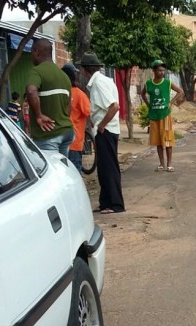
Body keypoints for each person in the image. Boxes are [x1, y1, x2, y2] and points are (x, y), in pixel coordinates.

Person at [81, 53, 124, 214]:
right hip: (107, 129)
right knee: (104, 167)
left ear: (86, 70)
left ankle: (115, 204)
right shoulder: (104, 81)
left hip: (106, 130)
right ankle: (105, 202)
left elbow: (114, 106)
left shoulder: (98, 83)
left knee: (109, 167)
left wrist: (101, 125)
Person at [25, 38, 74, 155]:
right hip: (66, 132)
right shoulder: (64, 76)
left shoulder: (37, 71)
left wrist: (39, 115)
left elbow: (31, 91)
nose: (31, 56)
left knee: (50, 171)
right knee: (62, 169)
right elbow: (69, 106)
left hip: (48, 135)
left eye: (32, 52)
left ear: (36, 51)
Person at [141, 59, 185, 172]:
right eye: (159, 70)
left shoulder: (167, 83)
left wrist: (171, 103)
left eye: (163, 70)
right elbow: (143, 94)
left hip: (165, 116)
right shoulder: (148, 84)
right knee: (158, 141)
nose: (162, 72)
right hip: (154, 116)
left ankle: (169, 164)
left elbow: (180, 91)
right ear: (154, 71)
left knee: (167, 140)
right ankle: (161, 164)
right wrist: (148, 105)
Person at [62, 63, 91, 170]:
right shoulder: (79, 94)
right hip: (74, 141)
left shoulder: (60, 93)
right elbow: (88, 112)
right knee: (75, 172)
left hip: (59, 141)